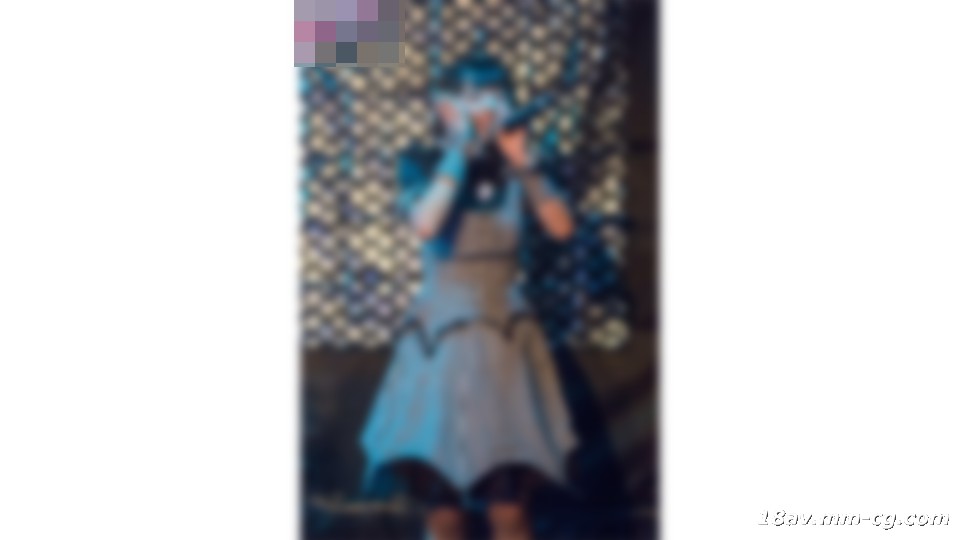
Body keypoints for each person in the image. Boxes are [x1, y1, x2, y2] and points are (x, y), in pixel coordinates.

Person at [360, 53, 577, 540]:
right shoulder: (421, 161)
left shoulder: (523, 160)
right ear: (441, 105)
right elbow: (426, 223)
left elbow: (561, 228)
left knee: (509, 508)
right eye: (466, 96)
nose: (479, 107)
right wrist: (460, 148)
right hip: (439, 341)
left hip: (503, 338)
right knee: (443, 512)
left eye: (491, 96)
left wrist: (524, 163)